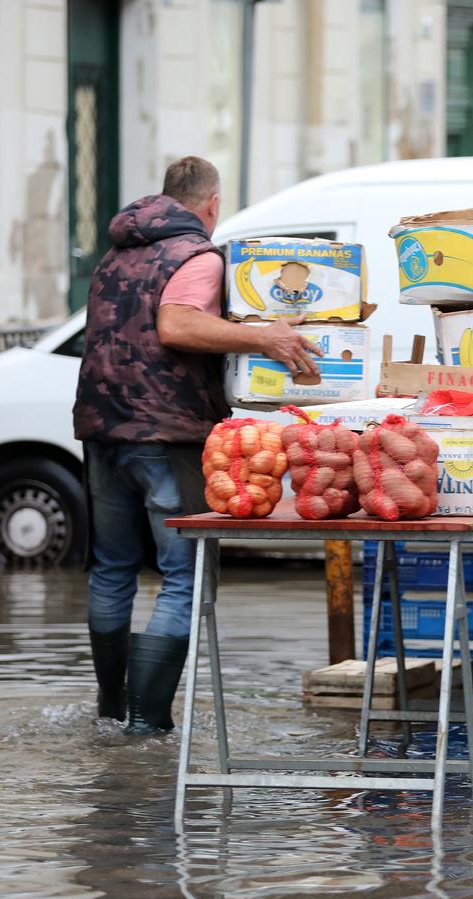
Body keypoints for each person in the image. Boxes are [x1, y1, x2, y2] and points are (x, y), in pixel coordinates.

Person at [73, 156, 323, 735]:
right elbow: (177, 325)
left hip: (102, 429)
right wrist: (264, 338)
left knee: (112, 568)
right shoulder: (198, 255)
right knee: (184, 575)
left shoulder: (117, 253)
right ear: (212, 204)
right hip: (166, 433)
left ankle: (112, 710)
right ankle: (147, 725)